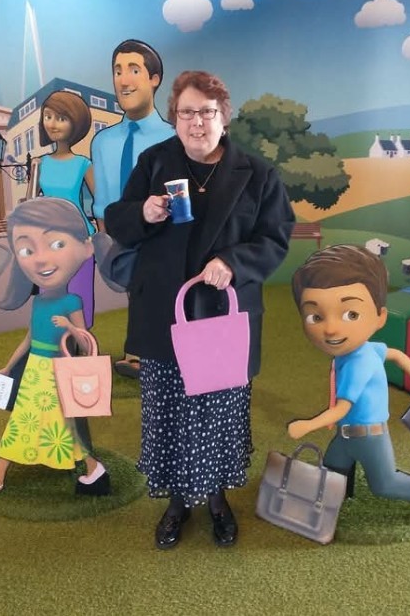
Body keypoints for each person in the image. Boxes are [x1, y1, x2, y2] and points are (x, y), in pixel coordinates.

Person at [104, 70, 295, 549]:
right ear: (175, 117)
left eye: (206, 112)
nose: (196, 122)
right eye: (186, 112)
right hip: (163, 315)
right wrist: (143, 213)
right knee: (169, 412)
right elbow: (118, 219)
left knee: (218, 414)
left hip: (222, 318)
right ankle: (176, 504)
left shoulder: (258, 173)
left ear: (223, 117)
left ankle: (216, 500)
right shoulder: (154, 161)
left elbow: (275, 238)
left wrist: (233, 262)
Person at [0, 197, 110, 497]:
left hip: (58, 371)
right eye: (27, 251)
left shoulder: (72, 301)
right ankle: (1, 476)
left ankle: (92, 467)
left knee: (60, 422)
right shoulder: (39, 302)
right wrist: (8, 366)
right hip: (35, 371)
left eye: (56, 245)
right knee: (27, 420)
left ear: (85, 249)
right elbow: (29, 339)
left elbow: (84, 339)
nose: (41, 260)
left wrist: (69, 326)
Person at [287, 244, 410, 517]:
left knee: (384, 484)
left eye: (351, 314)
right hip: (346, 434)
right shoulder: (364, 350)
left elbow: (341, 409)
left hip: (368, 436)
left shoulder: (358, 364)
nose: (331, 328)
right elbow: (395, 354)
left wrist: (307, 425)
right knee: (333, 469)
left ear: (380, 317)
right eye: (316, 316)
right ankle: (336, 500)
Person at [91, 39, 174, 379]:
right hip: (118, 237)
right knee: (134, 292)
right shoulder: (102, 142)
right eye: (117, 71)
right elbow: (102, 199)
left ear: (154, 79)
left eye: (134, 70)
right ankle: (138, 353)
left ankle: (154, 356)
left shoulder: (175, 139)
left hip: (163, 238)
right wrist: (105, 241)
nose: (123, 80)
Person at [35, 90, 96, 328]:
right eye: (48, 116)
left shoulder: (83, 164)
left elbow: (100, 203)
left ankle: (83, 344)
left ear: (75, 123)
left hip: (78, 239)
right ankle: (54, 344)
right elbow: (30, 203)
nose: (52, 124)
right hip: (47, 241)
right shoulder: (39, 164)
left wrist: (102, 237)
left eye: (61, 118)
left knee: (79, 298)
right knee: (51, 301)